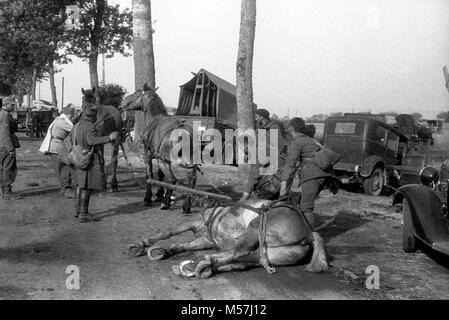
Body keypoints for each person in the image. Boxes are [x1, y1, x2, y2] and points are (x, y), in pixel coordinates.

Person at [278, 117, 332, 229]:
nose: (289, 134)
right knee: (300, 201)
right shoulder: (310, 139)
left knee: (306, 207)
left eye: (289, 131)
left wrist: (283, 183)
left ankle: (311, 237)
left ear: (291, 129)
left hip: (312, 175)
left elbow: (290, 163)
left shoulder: (297, 142)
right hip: (322, 175)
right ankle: (299, 227)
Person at [72, 104, 119, 223]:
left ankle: (78, 210)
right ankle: (84, 213)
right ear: (93, 116)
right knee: (87, 186)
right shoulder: (90, 127)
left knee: (80, 184)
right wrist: (109, 138)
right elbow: (92, 141)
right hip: (88, 159)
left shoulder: (76, 126)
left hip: (77, 157)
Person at [240, 108, 287, 201]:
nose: (256, 119)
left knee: (254, 173)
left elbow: (280, 146)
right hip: (263, 154)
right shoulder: (261, 128)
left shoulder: (273, 128)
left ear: (262, 117)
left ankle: (244, 198)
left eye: (257, 117)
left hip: (271, 157)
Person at [39, 106, 76, 198]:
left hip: (57, 146)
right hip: (57, 147)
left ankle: (64, 188)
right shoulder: (61, 122)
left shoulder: (60, 120)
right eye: (71, 116)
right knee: (65, 166)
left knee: (61, 167)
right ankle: (67, 189)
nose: (72, 118)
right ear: (68, 115)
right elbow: (74, 130)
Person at [0, 84, 21, 200]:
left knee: (2, 169)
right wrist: (11, 149)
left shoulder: (1, 114)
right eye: (11, 105)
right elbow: (5, 134)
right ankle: (7, 192)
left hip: (0, 146)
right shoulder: (6, 116)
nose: (13, 107)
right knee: (9, 168)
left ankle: (3, 191)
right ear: (5, 105)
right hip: (5, 147)